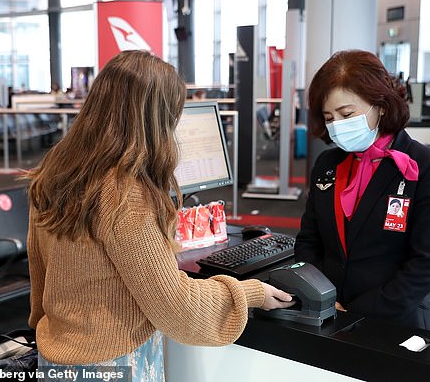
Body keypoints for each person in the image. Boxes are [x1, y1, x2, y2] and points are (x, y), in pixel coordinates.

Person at [26, 50, 294, 381]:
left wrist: (42, 328)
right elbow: (177, 308)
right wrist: (250, 293)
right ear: (157, 120)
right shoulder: (125, 195)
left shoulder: (55, 172)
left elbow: (39, 270)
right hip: (114, 362)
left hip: (57, 356)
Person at [295, 49, 430, 330]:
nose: (338, 126)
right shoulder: (327, 163)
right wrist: (320, 296)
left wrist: (357, 311)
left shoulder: (429, 168)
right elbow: (309, 241)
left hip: (393, 320)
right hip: (326, 313)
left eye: (347, 114)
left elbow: (427, 265)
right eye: (330, 118)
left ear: (380, 105)